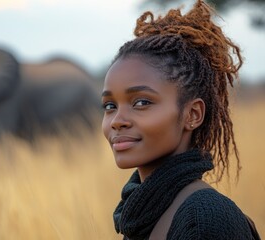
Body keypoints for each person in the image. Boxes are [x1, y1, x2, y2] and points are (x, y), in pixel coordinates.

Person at [101, 0, 260, 239]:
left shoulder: (205, 218)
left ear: (192, 114)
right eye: (110, 106)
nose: (117, 120)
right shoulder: (142, 215)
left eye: (142, 102)